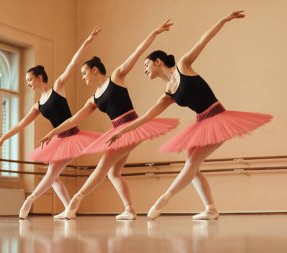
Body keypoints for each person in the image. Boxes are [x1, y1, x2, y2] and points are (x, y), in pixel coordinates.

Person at [107, 11, 272, 220]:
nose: (144, 70)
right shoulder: (167, 94)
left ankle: (164, 199)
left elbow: (204, 39)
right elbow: (146, 117)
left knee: (191, 164)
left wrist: (223, 19)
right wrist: (122, 132)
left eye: (146, 65)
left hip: (218, 118)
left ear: (157, 62)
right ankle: (210, 209)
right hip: (202, 122)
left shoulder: (184, 65)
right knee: (192, 165)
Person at [38, 20, 179, 220]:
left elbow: (137, 53)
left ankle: (75, 202)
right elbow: (74, 119)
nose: (83, 77)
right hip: (118, 131)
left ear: (94, 70)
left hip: (130, 127)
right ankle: (129, 209)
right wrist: (52, 133)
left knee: (103, 165)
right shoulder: (94, 98)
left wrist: (154, 33)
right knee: (113, 173)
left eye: (84, 73)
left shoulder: (117, 77)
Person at [0, 26, 102, 219]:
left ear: (39, 77)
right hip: (58, 139)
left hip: (72, 136)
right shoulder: (38, 104)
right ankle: (69, 209)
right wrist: (2, 138)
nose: (28, 83)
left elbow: (73, 63)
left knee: (51, 172)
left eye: (29, 79)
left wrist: (87, 41)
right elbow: (21, 124)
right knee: (54, 176)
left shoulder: (58, 87)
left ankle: (30, 199)